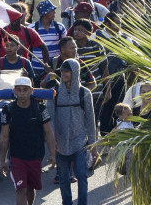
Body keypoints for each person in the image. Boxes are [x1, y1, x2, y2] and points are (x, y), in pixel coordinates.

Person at [0, 76, 58, 205]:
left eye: (25, 90)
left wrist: (53, 154)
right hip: (16, 157)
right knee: (21, 189)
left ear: (31, 90)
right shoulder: (8, 110)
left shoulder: (40, 109)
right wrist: (2, 159)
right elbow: (4, 136)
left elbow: (48, 132)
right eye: (19, 90)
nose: (22, 94)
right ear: (14, 91)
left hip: (36, 156)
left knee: (31, 188)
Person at [50, 58, 97, 205]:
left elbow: (90, 120)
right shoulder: (54, 94)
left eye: (67, 71)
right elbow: (50, 120)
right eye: (62, 70)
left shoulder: (85, 93)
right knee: (64, 179)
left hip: (80, 142)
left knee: (82, 175)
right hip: (61, 143)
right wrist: (53, 143)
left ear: (75, 72)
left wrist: (93, 145)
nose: (64, 73)